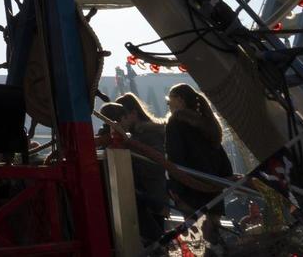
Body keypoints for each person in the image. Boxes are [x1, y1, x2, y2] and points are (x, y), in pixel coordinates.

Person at [165, 83, 233, 245]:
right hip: (214, 189)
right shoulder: (208, 124)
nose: (168, 105)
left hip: (190, 189)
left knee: (199, 241)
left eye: (170, 100)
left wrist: (175, 189)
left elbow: (176, 158)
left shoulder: (176, 123)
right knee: (214, 238)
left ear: (180, 100)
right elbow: (222, 159)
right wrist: (223, 181)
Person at [99, 94, 169, 246]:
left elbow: (155, 165)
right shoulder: (123, 138)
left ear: (133, 113)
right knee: (150, 241)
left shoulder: (149, 134)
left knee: (154, 241)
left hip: (149, 195)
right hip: (135, 196)